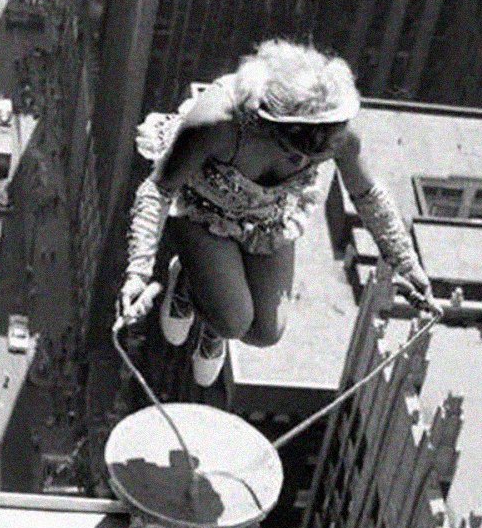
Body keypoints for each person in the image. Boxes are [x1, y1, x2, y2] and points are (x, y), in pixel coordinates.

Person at [119, 39, 436, 386]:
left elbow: (367, 194)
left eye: (312, 159)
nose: (300, 163)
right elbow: (159, 188)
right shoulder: (219, 119)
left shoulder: (340, 135)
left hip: (267, 220)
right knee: (234, 320)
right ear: (266, 125)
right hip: (201, 209)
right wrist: (139, 270)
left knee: (267, 332)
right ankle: (190, 284)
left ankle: (211, 317)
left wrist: (407, 263)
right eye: (290, 150)